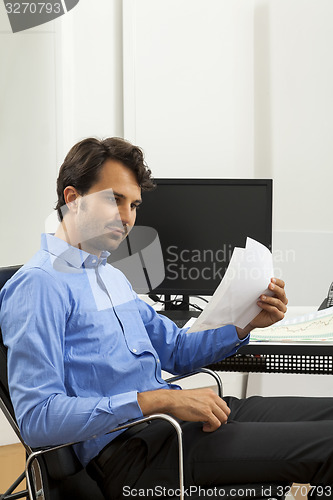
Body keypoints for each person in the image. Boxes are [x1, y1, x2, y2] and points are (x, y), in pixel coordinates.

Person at [0, 137, 332, 500]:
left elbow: (175, 348)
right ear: (73, 199)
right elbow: (37, 419)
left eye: (134, 204)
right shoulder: (39, 285)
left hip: (171, 426)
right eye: (115, 199)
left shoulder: (109, 276)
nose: (127, 217)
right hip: (134, 454)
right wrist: (158, 400)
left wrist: (245, 324)